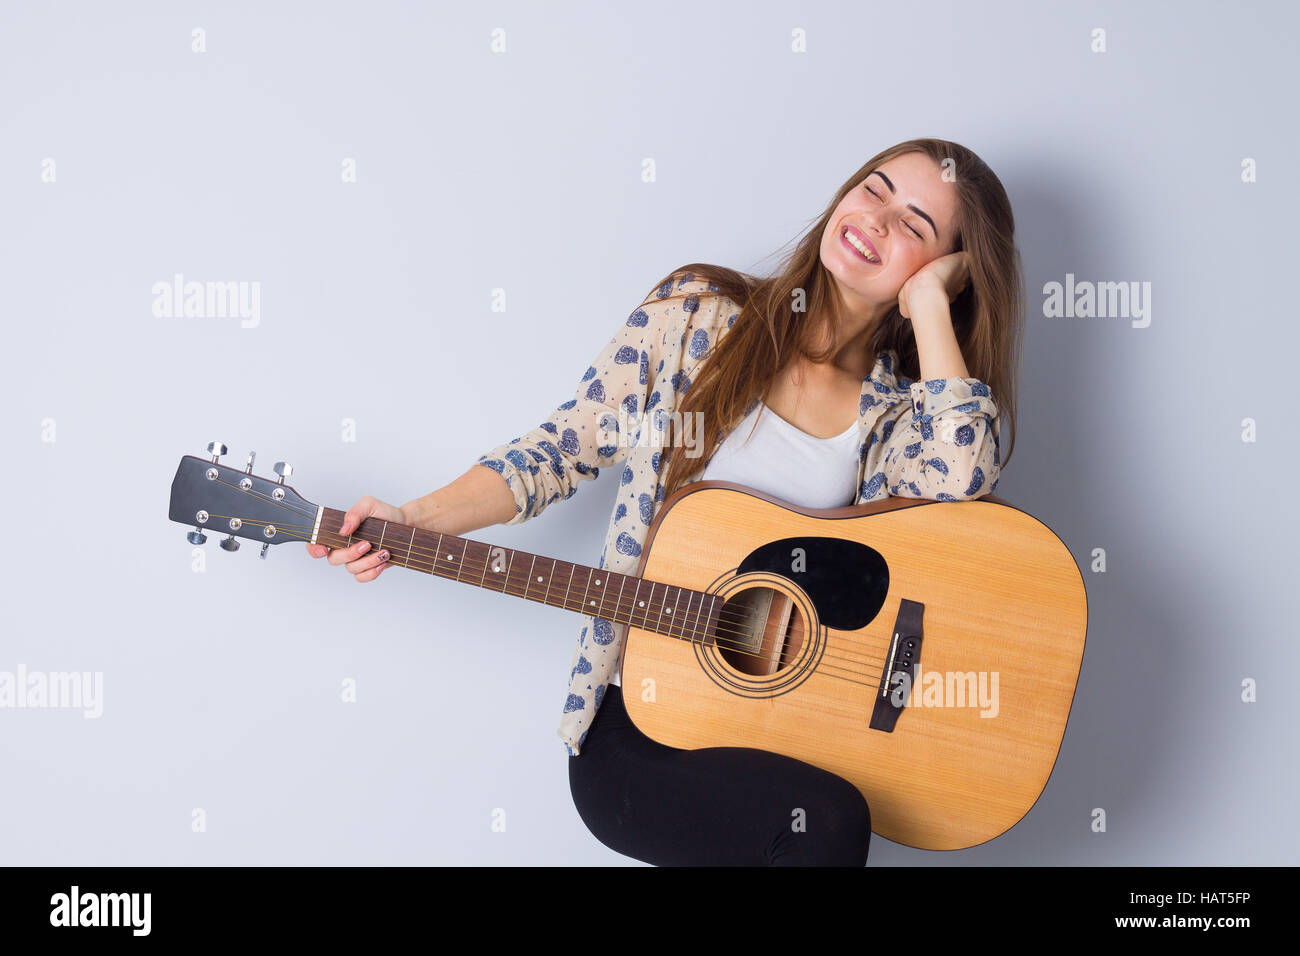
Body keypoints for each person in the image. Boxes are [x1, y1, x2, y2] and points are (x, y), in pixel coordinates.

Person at [306, 137, 1025, 866]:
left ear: (946, 271)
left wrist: (931, 309)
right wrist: (414, 520)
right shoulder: (697, 318)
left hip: (785, 732)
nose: (876, 219)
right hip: (641, 725)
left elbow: (961, 487)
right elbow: (560, 448)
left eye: (915, 226)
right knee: (830, 823)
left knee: (827, 817)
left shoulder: (899, 417)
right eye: (873, 189)